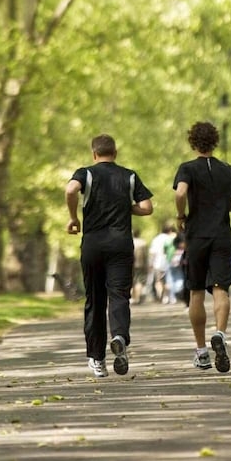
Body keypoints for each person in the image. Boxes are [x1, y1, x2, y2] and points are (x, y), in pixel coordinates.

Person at [66, 133, 154, 378]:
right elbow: (147, 207)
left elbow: (71, 190)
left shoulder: (86, 173)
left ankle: (97, 359)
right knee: (119, 296)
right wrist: (127, 207)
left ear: (94, 154)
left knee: (94, 300)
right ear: (115, 153)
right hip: (121, 245)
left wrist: (73, 218)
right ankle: (119, 337)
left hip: (93, 244)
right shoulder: (129, 176)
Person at [173, 120, 231, 373]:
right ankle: (220, 334)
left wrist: (181, 215)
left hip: (197, 236)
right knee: (220, 289)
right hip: (222, 236)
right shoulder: (228, 170)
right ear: (215, 142)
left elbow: (180, 193)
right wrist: (222, 204)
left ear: (192, 142)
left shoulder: (187, 168)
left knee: (196, 291)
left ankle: (201, 351)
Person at [148, 222, 176, 302]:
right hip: (169, 262)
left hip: (158, 263)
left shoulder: (156, 239)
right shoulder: (171, 238)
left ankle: (161, 296)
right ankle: (166, 296)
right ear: (170, 230)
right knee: (168, 280)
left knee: (158, 281)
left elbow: (152, 252)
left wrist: (151, 263)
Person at [132, 229, 149, 304]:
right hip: (141, 264)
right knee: (139, 281)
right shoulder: (143, 243)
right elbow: (145, 255)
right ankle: (137, 298)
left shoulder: (129, 241)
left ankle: (133, 298)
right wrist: (147, 265)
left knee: (132, 281)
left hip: (131, 264)